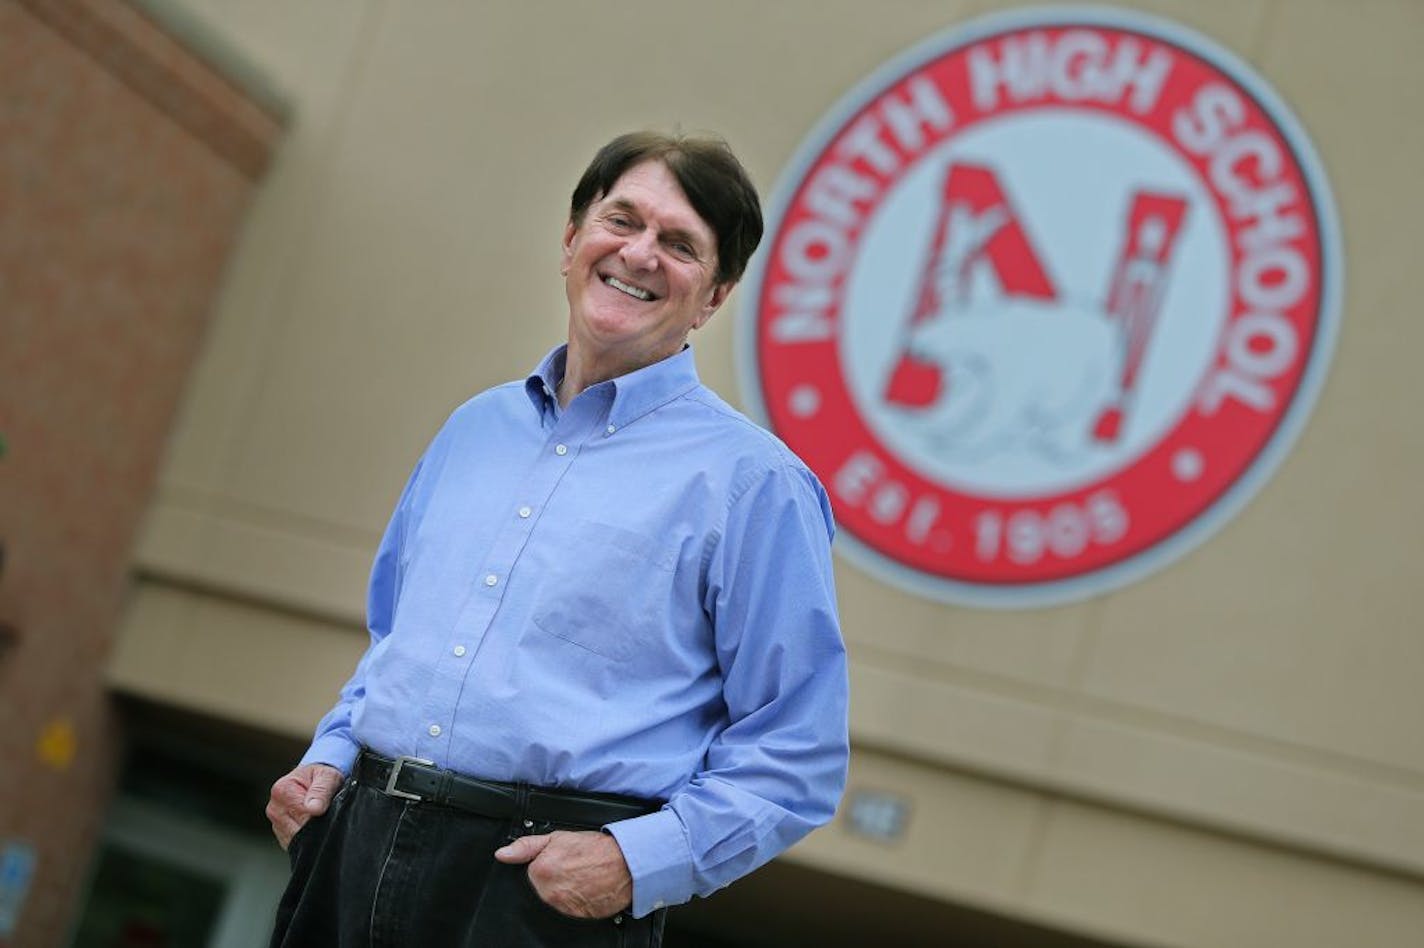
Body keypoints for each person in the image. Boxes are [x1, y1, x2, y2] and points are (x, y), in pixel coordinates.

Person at [265, 130, 849, 947]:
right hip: (353, 850)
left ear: (714, 296)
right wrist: (330, 755)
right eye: (622, 220)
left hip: (538, 894)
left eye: (680, 244)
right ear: (573, 240)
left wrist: (635, 863)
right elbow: (397, 639)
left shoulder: (756, 485)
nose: (640, 254)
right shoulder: (475, 429)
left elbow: (797, 750)